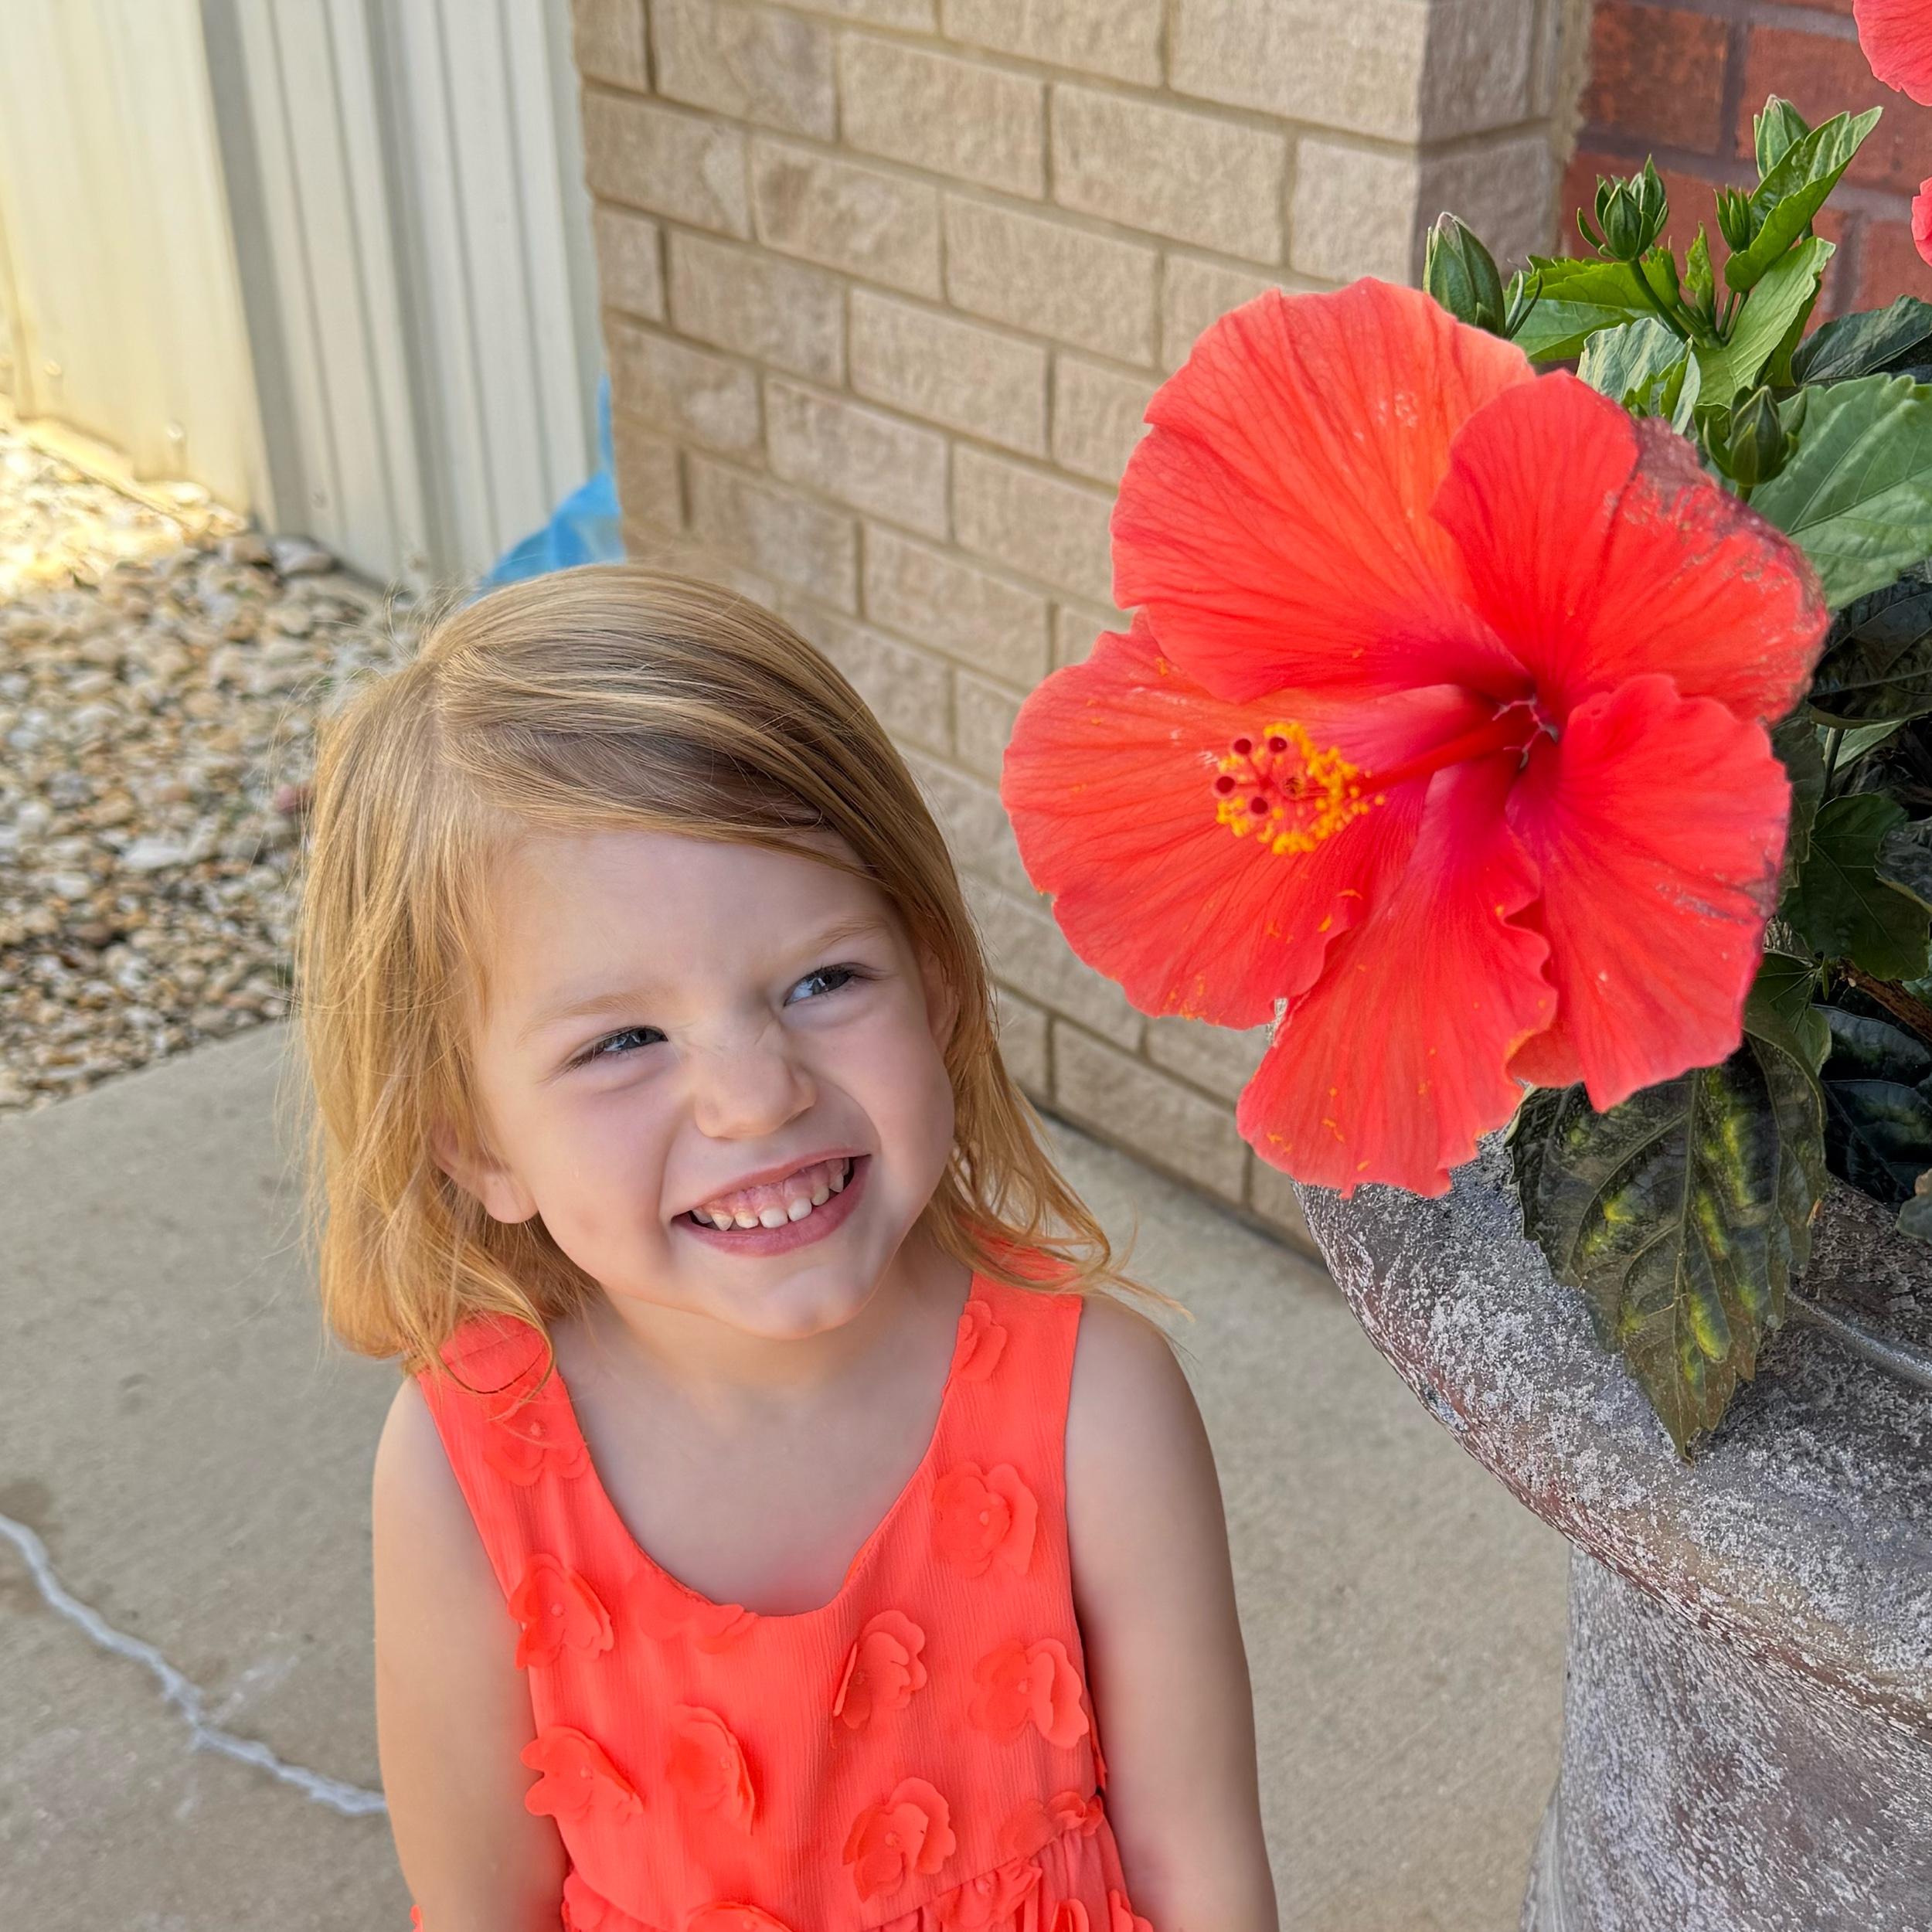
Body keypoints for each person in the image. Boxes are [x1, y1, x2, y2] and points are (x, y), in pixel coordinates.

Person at [289, 566, 1277, 1932]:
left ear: (935, 983)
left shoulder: (1096, 1405)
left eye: (824, 979)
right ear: (475, 1140)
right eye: (622, 1041)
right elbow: (476, 1907)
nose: (755, 1098)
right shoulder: (466, 1469)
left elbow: (1202, 1870)